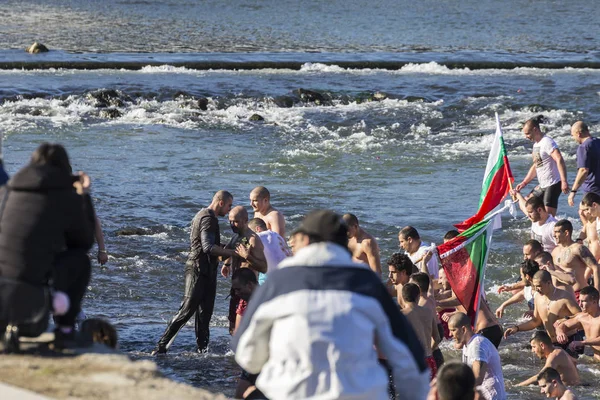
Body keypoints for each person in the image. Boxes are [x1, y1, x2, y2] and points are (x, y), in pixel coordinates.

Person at [233, 210, 430, 400]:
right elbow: (410, 353)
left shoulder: (281, 279)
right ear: (346, 243)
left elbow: (246, 352)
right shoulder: (367, 282)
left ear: (305, 241)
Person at [0, 143, 96, 345]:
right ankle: (65, 328)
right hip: (32, 301)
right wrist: (83, 197)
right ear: (64, 168)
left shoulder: (6, 192)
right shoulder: (66, 198)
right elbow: (84, 242)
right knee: (80, 261)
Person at [152, 190, 236, 355]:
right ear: (221, 203)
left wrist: (229, 247)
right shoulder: (208, 218)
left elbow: (211, 245)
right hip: (198, 269)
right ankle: (160, 347)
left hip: (207, 270)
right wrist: (235, 253)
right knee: (186, 311)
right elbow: (208, 247)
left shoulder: (205, 215)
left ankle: (202, 351)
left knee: (205, 316)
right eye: (229, 206)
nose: (228, 211)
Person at [222, 206, 268, 334]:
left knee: (242, 331)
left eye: (235, 221)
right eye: (230, 221)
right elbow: (229, 250)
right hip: (236, 289)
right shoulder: (236, 236)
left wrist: (247, 256)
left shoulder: (253, 239)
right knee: (232, 328)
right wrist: (226, 264)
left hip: (248, 291)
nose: (232, 224)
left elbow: (264, 267)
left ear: (245, 220)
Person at [504, 271, 581, 346]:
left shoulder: (564, 297)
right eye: (535, 286)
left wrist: (564, 321)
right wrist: (517, 328)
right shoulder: (537, 297)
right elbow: (535, 321)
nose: (536, 289)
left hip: (570, 340)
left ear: (549, 283)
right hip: (552, 343)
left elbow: (581, 316)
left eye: (539, 286)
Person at [514, 115, 569, 216]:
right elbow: (536, 165)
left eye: (527, 133)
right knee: (527, 204)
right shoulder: (536, 145)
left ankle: (557, 229)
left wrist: (564, 181)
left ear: (535, 130)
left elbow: (559, 158)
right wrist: (524, 182)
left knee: (548, 217)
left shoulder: (547, 142)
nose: (526, 136)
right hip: (543, 184)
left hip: (553, 184)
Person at [448, 312, 506, 400]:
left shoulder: (478, 345)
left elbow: (477, 378)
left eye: (453, 330)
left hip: (491, 397)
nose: (450, 334)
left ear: (463, 329)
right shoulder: (468, 344)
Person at [401, 283, 441, 380]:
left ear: (403, 297)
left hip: (412, 362)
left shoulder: (401, 315)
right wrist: (429, 351)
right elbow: (437, 338)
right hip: (429, 359)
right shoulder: (428, 312)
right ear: (418, 296)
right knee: (430, 393)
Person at [231, 268, 260, 399]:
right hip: (254, 355)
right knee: (240, 394)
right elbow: (238, 333)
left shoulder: (267, 299)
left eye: (238, 289)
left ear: (249, 285)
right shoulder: (245, 300)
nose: (236, 293)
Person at [551, 219, 600, 296]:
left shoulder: (578, 249)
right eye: (554, 232)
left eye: (557, 232)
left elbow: (595, 267)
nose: (554, 235)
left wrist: (597, 292)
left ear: (566, 233)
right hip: (560, 296)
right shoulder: (555, 251)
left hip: (578, 294)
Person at [556, 286, 600, 361]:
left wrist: (583, 342)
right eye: (579, 301)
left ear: (594, 302)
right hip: (594, 359)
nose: (580, 305)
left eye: (583, 301)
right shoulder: (582, 317)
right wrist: (560, 333)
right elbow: (563, 325)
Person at [247, 217, 291, 284]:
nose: (249, 235)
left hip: (274, 278)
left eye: (250, 232)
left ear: (257, 229)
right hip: (289, 272)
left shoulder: (258, 236)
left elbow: (242, 246)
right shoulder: (277, 235)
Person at [568, 121, 600, 207]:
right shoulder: (598, 142)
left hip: (592, 189)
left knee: (585, 214)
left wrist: (573, 191)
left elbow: (583, 170)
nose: (573, 138)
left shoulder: (583, 147)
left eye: (573, 135)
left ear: (578, 133)